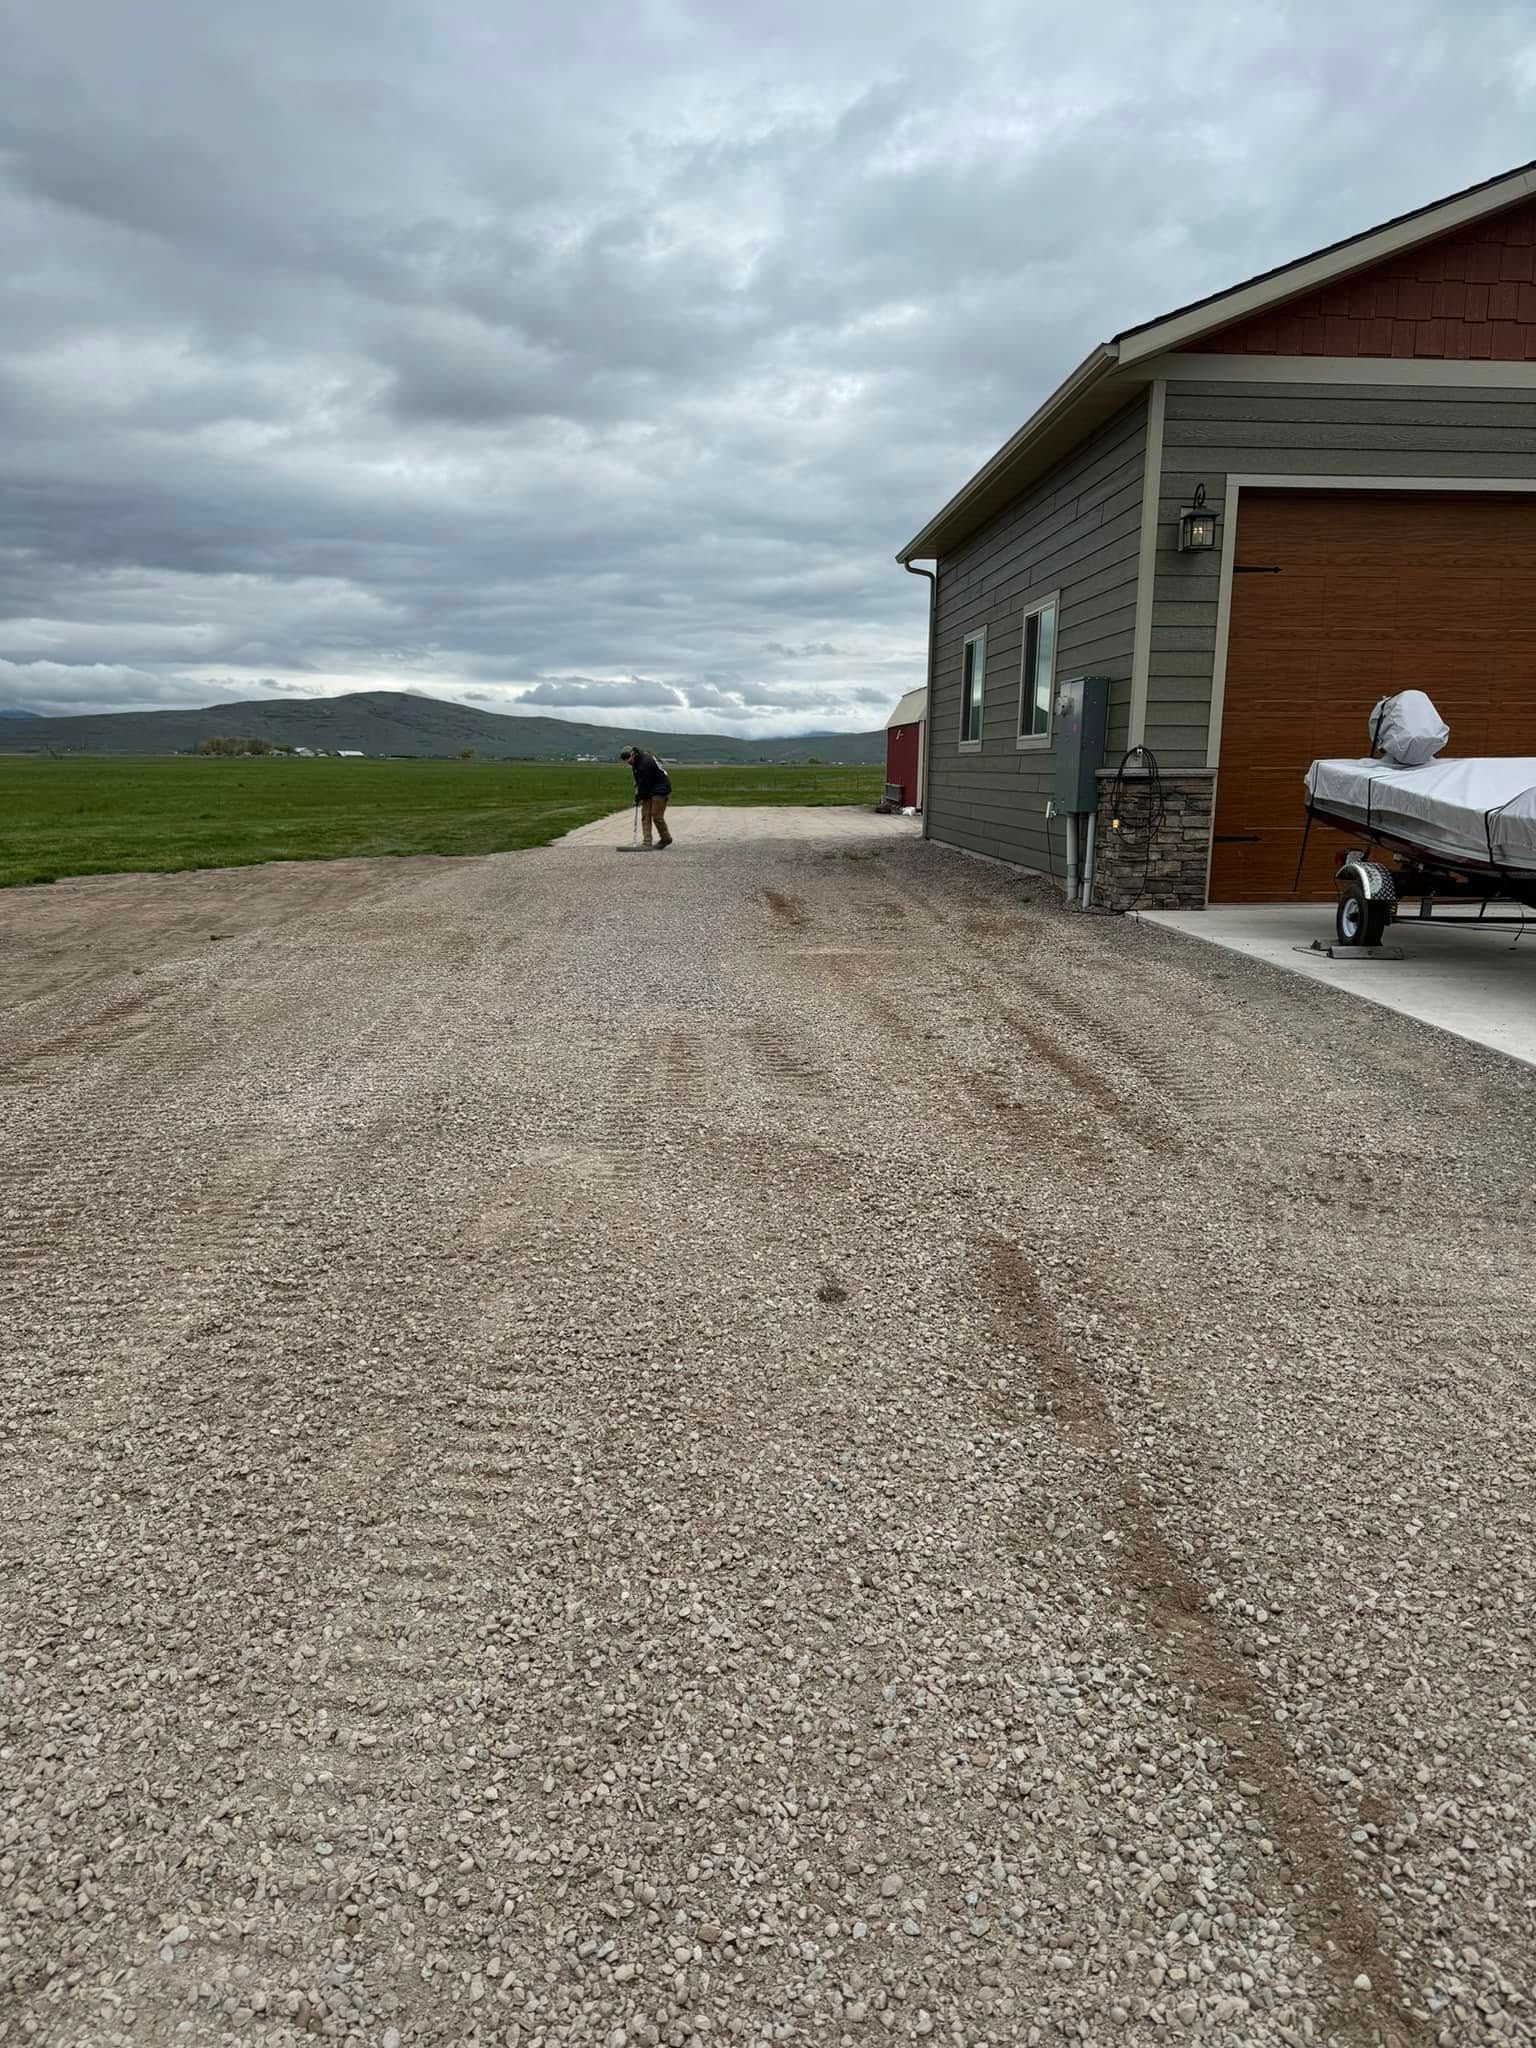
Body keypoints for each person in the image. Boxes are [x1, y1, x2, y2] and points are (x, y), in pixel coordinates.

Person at [620, 745, 673, 849]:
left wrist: (638, 798)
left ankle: (666, 838)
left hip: (661, 788)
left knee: (656, 815)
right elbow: (640, 780)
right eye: (627, 762)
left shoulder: (645, 763)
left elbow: (644, 785)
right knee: (645, 814)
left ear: (633, 754)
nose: (629, 763)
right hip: (650, 786)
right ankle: (647, 842)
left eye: (629, 760)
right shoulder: (637, 761)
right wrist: (637, 786)